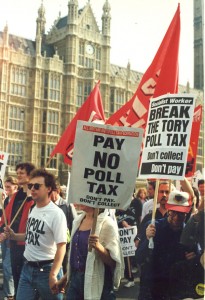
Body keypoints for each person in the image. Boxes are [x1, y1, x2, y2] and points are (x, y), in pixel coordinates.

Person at [4, 168, 67, 300]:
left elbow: (62, 246)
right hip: (27, 268)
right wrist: (14, 235)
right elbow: (30, 235)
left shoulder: (56, 213)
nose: (32, 189)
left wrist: (53, 274)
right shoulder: (33, 208)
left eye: (37, 186)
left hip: (46, 270)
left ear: (49, 189)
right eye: (30, 186)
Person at [53, 205, 124, 300]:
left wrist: (98, 247)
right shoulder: (78, 221)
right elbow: (76, 258)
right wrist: (65, 279)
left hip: (97, 282)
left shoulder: (107, 224)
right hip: (75, 281)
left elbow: (113, 262)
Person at [136, 189, 195, 300]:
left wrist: (193, 258)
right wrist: (147, 239)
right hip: (151, 290)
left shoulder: (189, 233)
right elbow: (139, 258)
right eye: (174, 212)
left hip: (176, 291)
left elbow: (196, 265)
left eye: (181, 214)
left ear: (186, 213)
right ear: (168, 210)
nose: (177, 217)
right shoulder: (153, 227)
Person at [0, 162, 35, 295]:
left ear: (30, 175)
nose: (18, 175)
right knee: (16, 277)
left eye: (22, 173)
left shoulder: (34, 197)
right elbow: (6, 218)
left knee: (27, 282)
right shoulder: (15, 196)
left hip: (28, 245)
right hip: (14, 245)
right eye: (17, 173)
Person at [50, 181, 77, 273]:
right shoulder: (47, 205)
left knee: (63, 267)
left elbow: (75, 224)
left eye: (50, 193)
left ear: (57, 191)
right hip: (50, 244)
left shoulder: (67, 205)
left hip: (64, 244)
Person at [1, 176, 18, 300]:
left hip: (13, 238)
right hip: (4, 237)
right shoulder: (6, 200)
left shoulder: (18, 201)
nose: (6, 189)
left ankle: (10, 294)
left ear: (15, 187)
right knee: (6, 266)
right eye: (5, 186)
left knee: (8, 267)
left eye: (8, 187)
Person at [116, 206, 137, 288]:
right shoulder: (116, 213)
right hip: (119, 240)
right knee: (120, 260)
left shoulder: (130, 212)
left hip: (128, 241)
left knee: (127, 260)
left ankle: (131, 279)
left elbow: (135, 227)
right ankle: (119, 279)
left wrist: (127, 226)